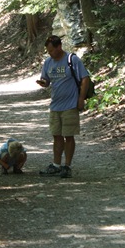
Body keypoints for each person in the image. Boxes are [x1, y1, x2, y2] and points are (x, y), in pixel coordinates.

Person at [36, 35, 90, 178]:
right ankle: (56, 165)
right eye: (48, 51)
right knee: (57, 136)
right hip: (55, 106)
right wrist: (43, 83)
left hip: (70, 105)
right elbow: (46, 80)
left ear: (59, 47)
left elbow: (85, 79)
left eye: (51, 50)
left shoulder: (72, 60)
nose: (50, 53)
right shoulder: (48, 62)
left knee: (69, 136)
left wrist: (81, 98)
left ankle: (67, 166)